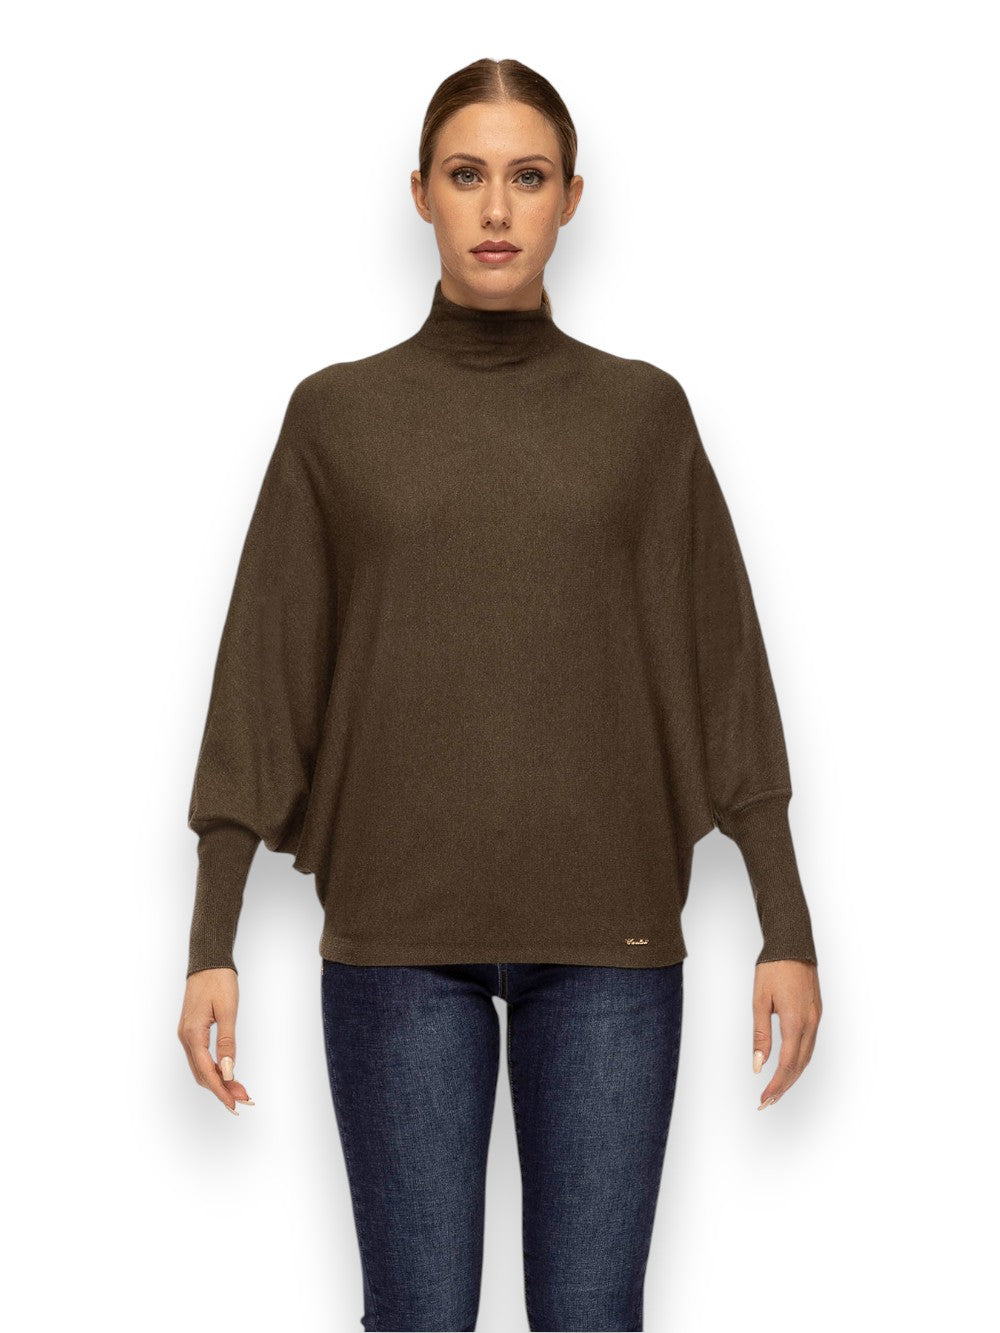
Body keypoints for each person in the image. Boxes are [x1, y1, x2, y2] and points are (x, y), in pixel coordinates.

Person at [177, 57, 822, 1333]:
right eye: (466, 175)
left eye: (527, 178)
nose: (494, 208)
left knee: (592, 1316)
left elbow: (722, 665)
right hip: (395, 944)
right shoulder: (336, 417)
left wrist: (784, 922)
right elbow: (265, 671)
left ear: (572, 198)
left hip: (610, 945)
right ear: (419, 191)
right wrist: (212, 938)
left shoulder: (643, 416)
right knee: (417, 1314)